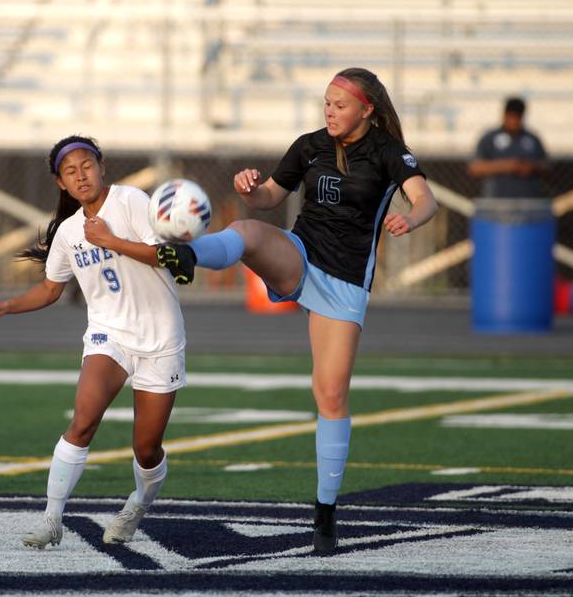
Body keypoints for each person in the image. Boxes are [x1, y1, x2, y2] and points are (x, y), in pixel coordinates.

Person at [156, 67, 438, 552]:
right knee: (246, 231)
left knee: (329, 394)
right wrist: (250, 189)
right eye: (326, 102)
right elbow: (268, 197)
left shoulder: (390, 153)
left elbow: (425, 199)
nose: (329, 111)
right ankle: (185, 255)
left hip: (345, 281)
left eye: (340, 104)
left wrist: (409, 219)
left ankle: (325, 512)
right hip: (300, 256)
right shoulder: (309, 145)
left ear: (367, 110)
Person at [0, 135, 186, 549]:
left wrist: (111, 241)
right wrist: (5, 307)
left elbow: (163, 256)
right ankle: (52, 519)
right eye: (70, 171)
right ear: (61, 183)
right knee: (83, 420)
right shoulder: (69, 232)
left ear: (102, 167)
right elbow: (51, 289)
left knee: (147, 447)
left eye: (87, 165)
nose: (81, 175)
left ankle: (138, 503)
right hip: (109, 334)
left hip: (161, 338)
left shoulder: (131, 202)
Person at [467, 96, 550, 198]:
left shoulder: (532, 139)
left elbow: (547, 167)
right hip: (496, 204)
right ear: (504, 115)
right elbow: (475, 168)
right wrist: (507, 166)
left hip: (527, 203)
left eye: (517, 117)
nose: (513, 122)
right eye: (511, 116)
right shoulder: (490, 138)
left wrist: (531, 168)